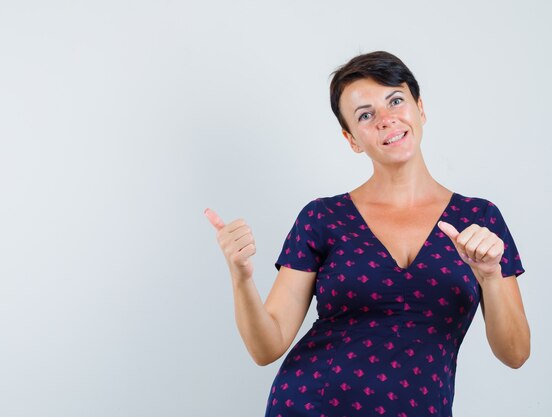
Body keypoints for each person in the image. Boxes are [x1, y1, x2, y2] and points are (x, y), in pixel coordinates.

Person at [204, 51, 530, 417]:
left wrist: (489, 276)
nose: (386, 119)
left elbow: (515, 353)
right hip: (310, 404)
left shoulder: (479, 218)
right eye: (365, 115)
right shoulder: (322, 217)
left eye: (395, 100)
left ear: (420, 109)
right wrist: (241, 276)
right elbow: (266, 346)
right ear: (352, 139)